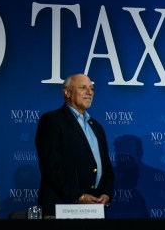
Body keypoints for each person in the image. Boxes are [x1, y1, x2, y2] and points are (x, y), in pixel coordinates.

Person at [35, 73, 114, 213]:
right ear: (67, 92)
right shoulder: (52, 121)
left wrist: (106, 194)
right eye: (83, 87)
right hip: (62, 207)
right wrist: (79, 196)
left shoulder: (96, 126)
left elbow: (106, 167)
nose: (89, 92)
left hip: (95, 208)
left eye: (92, 88)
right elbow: (51, 166)